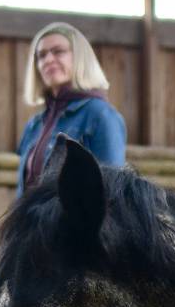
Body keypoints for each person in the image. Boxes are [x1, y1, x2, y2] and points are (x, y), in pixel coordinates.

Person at [16, 22, 126, 194]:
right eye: (41, 55)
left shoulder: (101, 116)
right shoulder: (34, 125)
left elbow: (112, 194)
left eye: (58, 51)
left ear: (80, 57)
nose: (48, 60)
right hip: (31, 221)